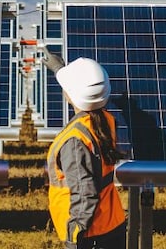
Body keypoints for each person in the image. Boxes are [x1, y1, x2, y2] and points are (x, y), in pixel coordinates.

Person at [44, 55, 127, 249]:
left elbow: (84, 195)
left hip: (90, 235)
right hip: (111, 222)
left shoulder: (75, 141)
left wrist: (74, 235)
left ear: (71, 94)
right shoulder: (104, 121)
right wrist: (60, 69)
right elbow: (87, 90)